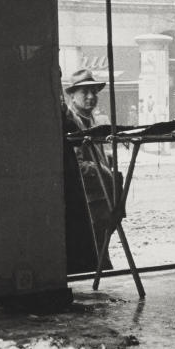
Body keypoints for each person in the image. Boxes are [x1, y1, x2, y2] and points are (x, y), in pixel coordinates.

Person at [61, 69, 116, 274]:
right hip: (87, 199)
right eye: (85, 92)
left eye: (94, 92)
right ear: (72, 95)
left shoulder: (91, 119)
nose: (91, 97)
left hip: (100, 197)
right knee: (92, 248)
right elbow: (77, 164)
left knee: (101, 246)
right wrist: (101, 169)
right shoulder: (71, 122)